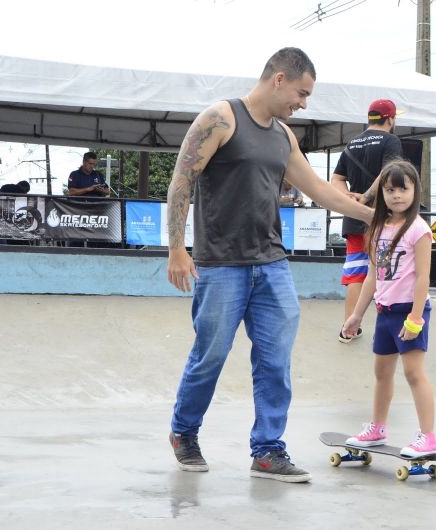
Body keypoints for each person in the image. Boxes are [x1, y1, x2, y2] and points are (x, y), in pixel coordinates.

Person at [165, 47, 374, 483]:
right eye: (302, 93)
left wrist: (378, 217)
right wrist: (176, 248)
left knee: (275, 361)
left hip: (272, 263)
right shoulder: (220, 118)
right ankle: (184, 432)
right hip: (221, 264)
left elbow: (319, 189)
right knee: (211, 355)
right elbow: (181, 182)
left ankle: (267, 450)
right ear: (279, 79)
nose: (304, 103)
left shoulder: (283, 135)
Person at [340, 159, 436, 457]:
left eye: (403, 189)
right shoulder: (379, 227)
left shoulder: (418, 230)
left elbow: (423, 276)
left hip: (409, 311)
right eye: (390, 189)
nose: (396, 195)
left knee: (414, 374)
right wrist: (356, 314)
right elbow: (373, 275)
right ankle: (377, 428)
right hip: (385, 311)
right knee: (382, 373)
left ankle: (428, 437)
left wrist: (416, 317)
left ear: (415, 191)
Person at [331, 98, 403, 343]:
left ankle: (349, 327)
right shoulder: (391, 140)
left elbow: (336, 178)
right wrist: (369, 197)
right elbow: (389, 172)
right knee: (390, 269)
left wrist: (350, 199)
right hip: (382, 216)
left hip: (354, 217)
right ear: (391, 119)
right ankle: (394, 327)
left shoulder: (352, 142)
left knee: (357, 271)